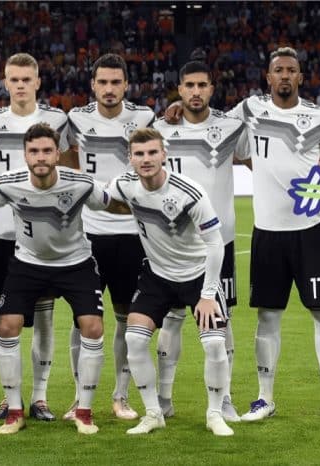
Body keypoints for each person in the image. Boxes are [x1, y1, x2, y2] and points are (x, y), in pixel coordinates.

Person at [0, 123, 123, 435]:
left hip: (76, 263)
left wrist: (152, 208)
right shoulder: (9, 183)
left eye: (46, 150)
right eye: (34, 151)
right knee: (6, 326)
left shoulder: (82, 183)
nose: (40, 157)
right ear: (25, 155)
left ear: (57, 154)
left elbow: (112, 203)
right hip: (28, 263)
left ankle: (83, 412)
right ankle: (14, 411)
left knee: (93, 327)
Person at [231, 47, 320, 423]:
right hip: (267, 232)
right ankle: (264, 399)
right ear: (268, 77)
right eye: (279, 70)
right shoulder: (249, 109)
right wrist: (178, 110)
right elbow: (212, 126)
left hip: (312, 230)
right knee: (268, 317)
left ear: (301, 78)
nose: (286, 76)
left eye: (292, 70)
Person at [109, 128, 234, 436]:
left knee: (216, 343)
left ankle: (215, 413)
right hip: (157, 275)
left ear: (164, 155)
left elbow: (216, 243)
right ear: (130, 159)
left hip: (197, 275)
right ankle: (154, 413)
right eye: (139, 154)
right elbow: (101, 198)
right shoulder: (125, 186)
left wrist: (207, 295)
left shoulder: (189, 192)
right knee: (135, 339)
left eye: (152, 152)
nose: (146, 159)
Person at [152, 61, 251, 423]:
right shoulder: (160, 129)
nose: (196, 91)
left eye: (202, 85)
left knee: (222, 321)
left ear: (213, 88)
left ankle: (224, 398)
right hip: (172, 245)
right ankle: (163, 398)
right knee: (171, 320)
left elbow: (259, 159)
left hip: (218, 244)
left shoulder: (230, 128)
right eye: (189, 85)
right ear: (179, 89)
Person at [64, 53, 155, 420]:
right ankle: (78, 396)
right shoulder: (76, 119)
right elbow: (68, 158)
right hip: (88, 234)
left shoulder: (144, 118)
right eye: (103, 82)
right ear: (93, 85)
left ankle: (121, 395)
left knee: (126, 317)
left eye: (116, 82)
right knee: (81, 319)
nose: (109, 89)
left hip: (132, 233)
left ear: (126, 85)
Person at [0, 53, 69, 421]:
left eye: (26, 79)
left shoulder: (57, 120)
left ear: (37, 82)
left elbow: (68, 166)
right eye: (13, 79)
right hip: (2, 233)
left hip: (42, 235)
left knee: (45, 319)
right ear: (5, 82)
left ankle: (41, 395)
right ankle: (9, 396)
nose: (19, 85)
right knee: (4, 320)